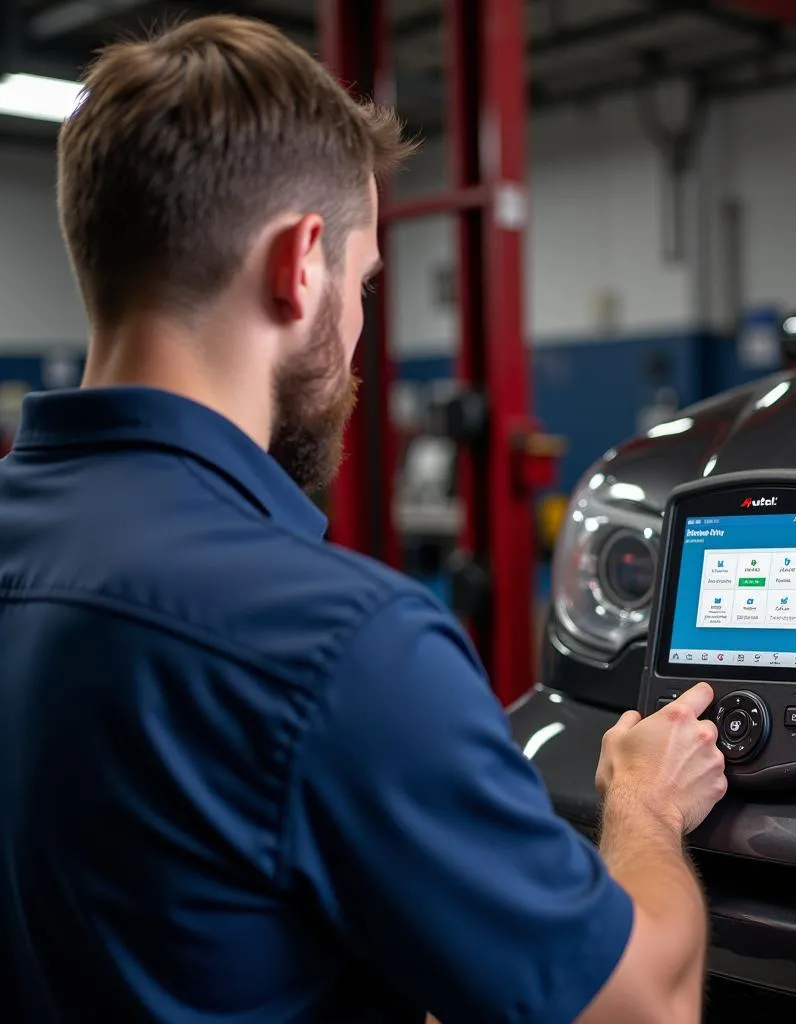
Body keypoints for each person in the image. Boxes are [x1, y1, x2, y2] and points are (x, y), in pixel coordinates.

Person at [0, 15, 727, 1024]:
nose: (356, 329)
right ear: (302, 265)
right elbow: (646, 1005)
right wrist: (643, 811)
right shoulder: (340, 642)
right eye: (366, 281)